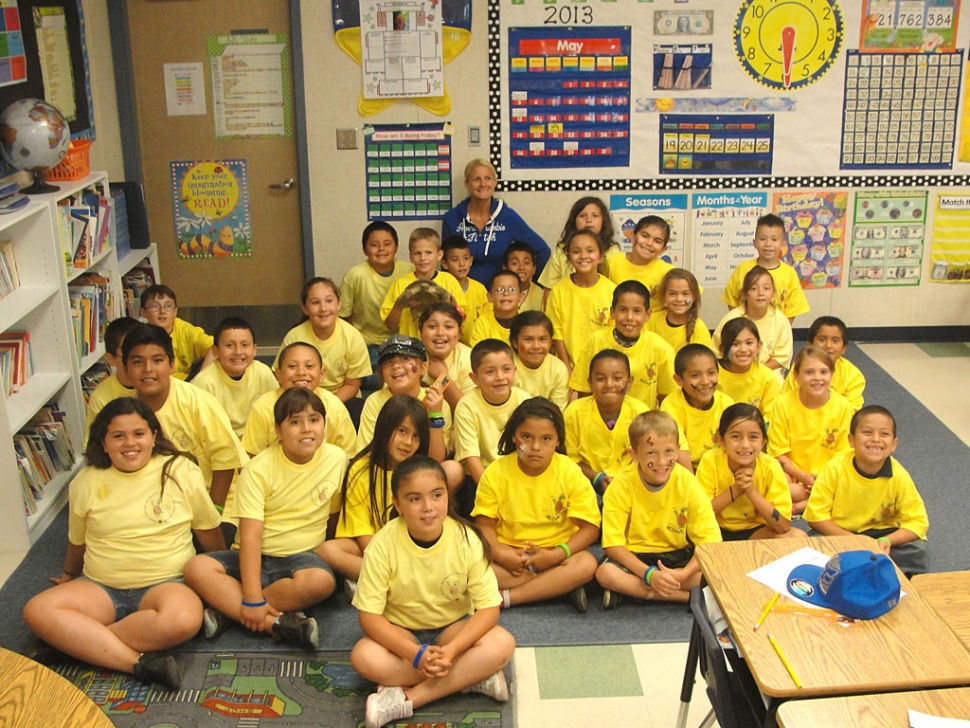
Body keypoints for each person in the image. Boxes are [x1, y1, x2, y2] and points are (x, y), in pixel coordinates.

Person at [23, 397, 225, 690]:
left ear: (154, 437)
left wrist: (219, 575)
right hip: (101, 586)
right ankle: (138, 664)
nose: (130, 443)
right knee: (36, 610)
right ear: (103, 443)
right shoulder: (85, 481)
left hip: (166, 583)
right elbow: (77, 540)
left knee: (183, 620)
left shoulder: (179, 470)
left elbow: (207, 528)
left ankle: (76, 643)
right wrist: (69, 574)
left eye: (139, 434)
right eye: (118, 436)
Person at [351, 456, 515, 728]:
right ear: (398, 504)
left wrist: (450, 652)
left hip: (452, 630)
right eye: (414, 499)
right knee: (363, 656)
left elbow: (488, 609)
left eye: (437, 495)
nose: (428, 507)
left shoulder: (466, 539)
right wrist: (416, 655)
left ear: (448, 496)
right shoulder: (382, 545)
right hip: (402, 635)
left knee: (502, 643)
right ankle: (469, 678)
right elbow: (369, 617)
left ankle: (408, 699)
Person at [183, 388, 349, 648]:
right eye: (295, 422)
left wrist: (253, 601)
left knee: (322, 581)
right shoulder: (258, 469)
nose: (307, 429)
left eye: (314, 420)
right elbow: (250, 536)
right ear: (279, 431)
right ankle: (273, 622)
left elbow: (333, 515)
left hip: (302, 559)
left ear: (324, 425)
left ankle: (229, 613)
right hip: (254, 558)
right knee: (195, 568)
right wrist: (250, 599)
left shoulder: (336, 459)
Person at [473, 398, 600, 612]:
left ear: (558, 441)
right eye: (526, 437)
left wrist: (556, 555)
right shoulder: (495, 472)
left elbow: (590, 529)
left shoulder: (569, 471)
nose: (535, 447)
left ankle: (509, 598)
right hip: (511, 557)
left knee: (587, 564)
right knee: (470, 569)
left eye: (546, 439)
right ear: (514, 436)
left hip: (557, 553)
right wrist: (501, 554)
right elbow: (484, 525)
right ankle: (557, 587)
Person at [595, 411, 721, 608]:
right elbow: (613, 545)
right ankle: (686, 598)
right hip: (636, 557)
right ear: (634, 455)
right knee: (605, 573)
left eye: (669, 452)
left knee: (718, 567)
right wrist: (649, 575)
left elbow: (710, 540)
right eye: (651, 453)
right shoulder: (620, 485)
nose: (662, 462)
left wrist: (684, 574)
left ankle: (639, 592)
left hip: (678, 555)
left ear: (679, 450)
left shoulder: (687, 482)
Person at [122, 323, 248, 509]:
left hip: (211, 500)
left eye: (157, 361)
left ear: (172, 365)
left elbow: (226, 459)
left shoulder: (197, 402)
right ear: (125, 369)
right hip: (158, 503)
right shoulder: (123, 412)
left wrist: (214, 512)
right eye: (137, 362)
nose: (148, 369)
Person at [320, 395, 431, 591]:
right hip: (371, 545)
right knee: (328, 550)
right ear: (385, 428)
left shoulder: (418, 471)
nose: (408, 442)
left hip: (410, 546)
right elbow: (361, 530)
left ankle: (376, 582)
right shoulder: (361, 469)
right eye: (402, 431)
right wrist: (381, 557)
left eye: (416, 436)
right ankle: (400, 583)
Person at [803, 405, 929, 576]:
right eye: (867, 433)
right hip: (840, 533)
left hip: (881, 536)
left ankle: (885, 576)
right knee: (813, 545)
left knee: (917, 551)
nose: (876, 439)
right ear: (851, 440)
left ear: (894, 444)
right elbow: (816, 518)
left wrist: (886, 541)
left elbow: (917, 523)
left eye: (884, 434)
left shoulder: (899, 476)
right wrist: (856, 541)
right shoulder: (834, 468)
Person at [768, 346, 854, 515]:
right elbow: (778, 453)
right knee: (777, 484)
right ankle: (814, 502)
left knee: (851, 484)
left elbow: (843, 454)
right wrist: (803, 477)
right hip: (792, 474)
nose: (817, 378)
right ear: (796, 376)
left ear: (832, 375)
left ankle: (800, 506)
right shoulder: (782, 404)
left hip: (829, 475)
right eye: (809, 373)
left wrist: (822, 480)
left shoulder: (843, 407)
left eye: (824, 372)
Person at [696, 404, 800, 541]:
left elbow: (783, 526)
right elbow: (701, 515)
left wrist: (750, 491)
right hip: (715, 529)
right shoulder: (710, 460)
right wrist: (737, 488)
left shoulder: (770, 466)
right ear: (721, 440)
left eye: (753, 437)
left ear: (763, 441)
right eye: (735, 436)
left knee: (798, 536)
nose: (745, 445)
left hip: (755, 532)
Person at [568, 280, 676, 409]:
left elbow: (667, 397)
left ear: (648, 315)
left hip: (643, 425)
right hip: (601, 422)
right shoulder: (596, 341)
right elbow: (583, 391)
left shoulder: (660, 348)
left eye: (637, 311)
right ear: (612, 312)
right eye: (623, 310)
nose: (629, 317)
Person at [442, 158, 549, 285]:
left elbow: (543, 251)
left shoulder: (507, 216)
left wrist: (530, 284)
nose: (483, 184)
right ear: (467, 184)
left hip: (499, 295)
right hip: (462, 294)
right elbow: (444, 261)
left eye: (487, 178)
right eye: (476, 179)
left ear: (495, 182)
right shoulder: (452, 218)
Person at [243, 341, 357, 459]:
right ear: (278, 374)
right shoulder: (262, 407)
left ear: (322, 374)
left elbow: (348, 454)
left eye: (309, 366)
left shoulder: (334, 405)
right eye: (292, 366)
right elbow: (255, 458)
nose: (301, 372)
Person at [340, 221, 415, 388]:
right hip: (368, 342)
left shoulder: (410, 270)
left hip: (402, 338)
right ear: (365, 250)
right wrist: (354, 345)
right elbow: (344, 316)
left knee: (411, 372)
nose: (381, 249)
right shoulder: (355, 275)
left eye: (387, 244)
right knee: (373, 378)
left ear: (396, 247)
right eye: (374, 245)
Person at [564, 350, 648, 496]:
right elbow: (570, 460)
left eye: (617, 378)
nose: (609, 384)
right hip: (586, 482)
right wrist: (597, 478)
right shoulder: (575, 413)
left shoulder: (640, 413)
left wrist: (622, 480)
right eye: (600, 379)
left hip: (632, 483)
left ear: (629, 382)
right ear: (590, 382)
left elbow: (646, 456)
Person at [279, 277, 372, 403]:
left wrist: (328, 405)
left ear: (339, 303)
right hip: (301, 396)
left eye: (329, 301)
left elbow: (352, 385)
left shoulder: (352, 337)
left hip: (340, 398)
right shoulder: (294, 337)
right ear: (305, 308)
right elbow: (283, 377)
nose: (323, 308)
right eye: (315, 302)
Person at [454, 339, 532, 485]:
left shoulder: (524, 401)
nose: (500, 377)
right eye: (490, 371)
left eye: (506, 369)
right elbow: (472, 459)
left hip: (517, 474)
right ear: (474, 378)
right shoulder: (466, 406)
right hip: (481, 477)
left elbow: (529, 448)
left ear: (515, 371)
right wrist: (494, 493)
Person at [191, 317, 278, 438]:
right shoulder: (204, 382)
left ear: (254, 350)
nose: (238, 352)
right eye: (229, 345)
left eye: (244, 345)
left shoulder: (263, 373)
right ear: (215, 351)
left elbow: (278, 411)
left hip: (258, 441)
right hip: (221, 443)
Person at [547, 229, 617, 373]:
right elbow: (557, 333)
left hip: (604, 369)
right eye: (576, 251)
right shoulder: (559, 290)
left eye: (590, 250)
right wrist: (566, 368)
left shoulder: (612, 291)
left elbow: (614, 333)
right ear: (569, 256)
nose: (583, 256)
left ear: (601, 256)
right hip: (570, 368)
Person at [722, 213, 810, 323]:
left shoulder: (789, 273)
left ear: (783, 244)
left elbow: (792, 310)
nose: (768, 244)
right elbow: (732, 300)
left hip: (775, 335)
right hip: (746, 332)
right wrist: (739, 326)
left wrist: (781, 332)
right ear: (755, 243)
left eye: (774, 239)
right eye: (763, 239)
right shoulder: (743, 269)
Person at [381, 228, 466, 339]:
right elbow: (390, 326)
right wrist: (399, 304)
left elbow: (461, 318)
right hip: (411, 346)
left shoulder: (449, 280)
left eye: (428, 253)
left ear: (439, 255)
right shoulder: (401, 284)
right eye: (417, 253)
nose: (423, 258)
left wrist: (448, 299)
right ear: (411, 257)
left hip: (441, 342)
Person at [712, 265, 793, 381]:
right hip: (735, 372)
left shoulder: (780, 320)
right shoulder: (731, 318)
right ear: (744, 294)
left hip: (767, 372)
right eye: (754, 288)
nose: (761, 293)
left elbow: (781, 357)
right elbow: (718, 353)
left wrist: (756, 374)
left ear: (774, 293)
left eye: (766, 288)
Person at [661, 344, 735, 470]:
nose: (705, 381)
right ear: (679, 380)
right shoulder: (671, 405)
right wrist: (694, 487)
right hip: (686, 470)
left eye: (711, 373)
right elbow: (679, 449)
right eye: (695, 375)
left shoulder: (726, 403)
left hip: (718, 469)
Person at [539, 196, 619, 297]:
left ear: (603, 221)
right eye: (582, 216)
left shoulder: (612, 250)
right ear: (574, 220)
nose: (589, 220)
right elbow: (549, 288)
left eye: (595, 216)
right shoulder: (562, 250)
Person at [782, 316, 866, 410]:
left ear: (844, 348)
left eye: (835, 341)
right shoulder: (801, 368)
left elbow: (852, 410)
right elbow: (786, 400)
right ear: (810, 344)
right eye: (822, 340)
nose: (828, 346)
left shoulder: (853, 375)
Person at [139, 284, 215, 380]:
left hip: (189, 384)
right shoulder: (140, 337)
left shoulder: (185, 330)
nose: (162, 311)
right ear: (143, 312)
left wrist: (199, 378)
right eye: (155, 306)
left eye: (168, 306)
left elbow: (216, 348)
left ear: (175, 311)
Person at [84, 316, 141, 443]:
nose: (135, 360)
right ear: (111, 359)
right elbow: (95, 448)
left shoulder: (160, 385)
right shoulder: (101, 398)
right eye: (126, 355)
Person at [605, 215, 674, 311]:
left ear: (663, 249)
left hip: (652, 326)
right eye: (645, 236)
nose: (649, 243)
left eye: (657, 241)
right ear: (633, 237)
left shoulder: (667, 272)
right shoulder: (612, 263)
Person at [419, 302, 476, 417]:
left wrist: (443, 379)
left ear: (459, 333)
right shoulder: (409, 357)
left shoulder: (470, 359)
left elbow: (469, 414)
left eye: (448, 327)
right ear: (420, 331)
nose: (440, 333)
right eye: (432, 327)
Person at [715, 317, 780, 416]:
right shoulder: (713, 374)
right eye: (735, 344)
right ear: (722, 349)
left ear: (759, 346)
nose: (743, 349)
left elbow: (771, 416)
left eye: (749, 343)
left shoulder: (766, 376)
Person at [509, 311, 569, 410]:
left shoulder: (558, 369)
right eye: (528, 340)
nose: (536, 346)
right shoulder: (506, 366)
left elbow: (557, 411)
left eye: (542, 340)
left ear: (550, 342)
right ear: (515, 342)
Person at [646, 269, 712, 353]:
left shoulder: (699, 330)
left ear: (694, 296)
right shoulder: (651, 321)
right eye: (672, 294)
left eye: (685, 294)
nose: (679, 299)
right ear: (663, 295)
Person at [441, 235, 487, 346]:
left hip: (475, 346)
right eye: (455, 260)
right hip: (448, 345)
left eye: (465, 258)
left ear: (471, 261)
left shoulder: (479, 289)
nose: (462, 264)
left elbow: (487, 319)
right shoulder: (441, 288)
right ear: (444, 263)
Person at [469, 270, 524, 347]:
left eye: (512, 290)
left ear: (521, 296)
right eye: (499, 290)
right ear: (490, 297)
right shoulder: (483, 323)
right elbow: (479, 354)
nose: (506, 293)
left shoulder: (527, 321)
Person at [503, 240, 544, 312]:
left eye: (526, 263)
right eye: (515, 263)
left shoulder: (541, 295)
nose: (521, 267)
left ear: (534, 269)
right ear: (505, 268)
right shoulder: (499, 292)